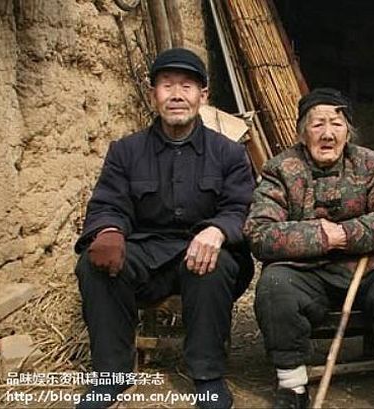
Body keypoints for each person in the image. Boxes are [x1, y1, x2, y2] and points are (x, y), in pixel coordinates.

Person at [74, 48, 255, 409]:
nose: (176, 95)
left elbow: (242, 208)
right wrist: (108, 230)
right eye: (167, 85)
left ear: (203, 96)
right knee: (92, 265)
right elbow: (108, 203)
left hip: (201, 253)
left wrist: (218, 230)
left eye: (187, 86)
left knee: (213, 263)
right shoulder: (125, 151)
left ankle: (207, 376)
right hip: (146, 254)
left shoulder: (229, 153)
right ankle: (111, 376)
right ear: (153, 93)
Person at [244, 88, 374, 409]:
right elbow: (259, 233)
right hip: (303, 271)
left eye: (336, 124)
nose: (327, 134)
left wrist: (345, 234)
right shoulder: (280, 169)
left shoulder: (368, 164)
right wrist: (320, 237)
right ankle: (292, 385)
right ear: (302, 133)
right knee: (274, 287)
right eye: (317, 125)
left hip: (365, 266)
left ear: (348, 132)